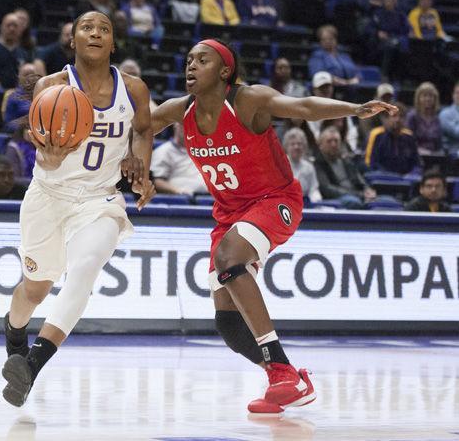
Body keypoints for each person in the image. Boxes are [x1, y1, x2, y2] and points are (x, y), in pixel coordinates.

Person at [150, 39, 395, 413]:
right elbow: (136, 128)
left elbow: (303, 106)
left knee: (229, 258)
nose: (192, 65)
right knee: (229, 327)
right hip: (229, 215)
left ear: (225, 71)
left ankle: (280, 371)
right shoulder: (178, 110)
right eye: (189, 60)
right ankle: (292, 381)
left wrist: (354, 108)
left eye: (203, 60)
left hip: (275, 201)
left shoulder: (247, 100)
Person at [1, 10, 155, 408]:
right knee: (34, 290)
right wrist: (49, 158)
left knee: (85, 269)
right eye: (87, 27)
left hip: (99, 199)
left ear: (113, 43)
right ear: (72, 39)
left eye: (104, 28)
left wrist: (141, 168)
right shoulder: (52, 87)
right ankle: (14, 334)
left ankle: (31, 366)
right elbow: (41, 147)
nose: (95, 33)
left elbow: (142, 131)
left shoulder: (134, 88)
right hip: (48, 197)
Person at [316, 126, 377, 208]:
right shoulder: (318, 164)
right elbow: (327, 189)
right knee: (353, 202)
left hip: (357, 195)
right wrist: (359, 194)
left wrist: (367, 190)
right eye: (329, 141)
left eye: (336, 141)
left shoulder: (346, 161)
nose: (333, 144)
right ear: (321, 145)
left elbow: (360, 180)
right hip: (339, 198)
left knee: (385, 201)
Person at [308, 71, 360, 152]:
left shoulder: (341, 107)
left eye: (327, 86)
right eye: (322, 87)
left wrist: (350, 149)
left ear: (332, 88)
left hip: (342, 150)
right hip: (318, 151)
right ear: (314, 90)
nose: (325, 90)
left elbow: (351, 133)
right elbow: (313, 135)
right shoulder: (309, 110)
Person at [151, 122, 207, 195]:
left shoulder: (203, 150)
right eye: (183, 125)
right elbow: (157, 181)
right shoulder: (163, 151)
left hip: (206, 199)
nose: (188, 129)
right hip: (178, 199)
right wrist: (178, 191)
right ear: (175, 125)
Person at [366, 103, 422, 175]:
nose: (397, 120)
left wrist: (412, 174)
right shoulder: (376, 135)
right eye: (394, 116)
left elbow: (417, 164)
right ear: (386, 118)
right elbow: (370, 163)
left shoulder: (409, 136)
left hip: (406, 180)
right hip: (383, 178)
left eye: (401, 116)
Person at [283, 128, 322, 202]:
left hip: (304, 204)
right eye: (292, 144)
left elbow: (313, 189)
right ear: (286, 146)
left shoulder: (309, 167)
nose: (296, 147)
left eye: (299, 144)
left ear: (304, 147)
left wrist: (316, 199)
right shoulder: (279, 165)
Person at [1, 63, 41, 133]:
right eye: (26, 75)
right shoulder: (13, 96)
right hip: (20, 135)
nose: (29, 78)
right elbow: (8, 124)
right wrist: (25, 127)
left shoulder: (45, 93)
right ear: (19, 76)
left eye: (32, 74)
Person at [405, 82, 442, 154]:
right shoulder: (412, 116)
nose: (428, 99)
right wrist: (421, 151)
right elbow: (407, 142)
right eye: (424, 96)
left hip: (434, 155)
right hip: (415, 155)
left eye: (431, 96)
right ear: (418, 98)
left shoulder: (436, 118)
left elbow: (439, 144)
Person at [439, 81, 459, 155]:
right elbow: (457, 133)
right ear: (453, 95)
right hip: (451, 155)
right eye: (457, 93)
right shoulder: (445, 114)